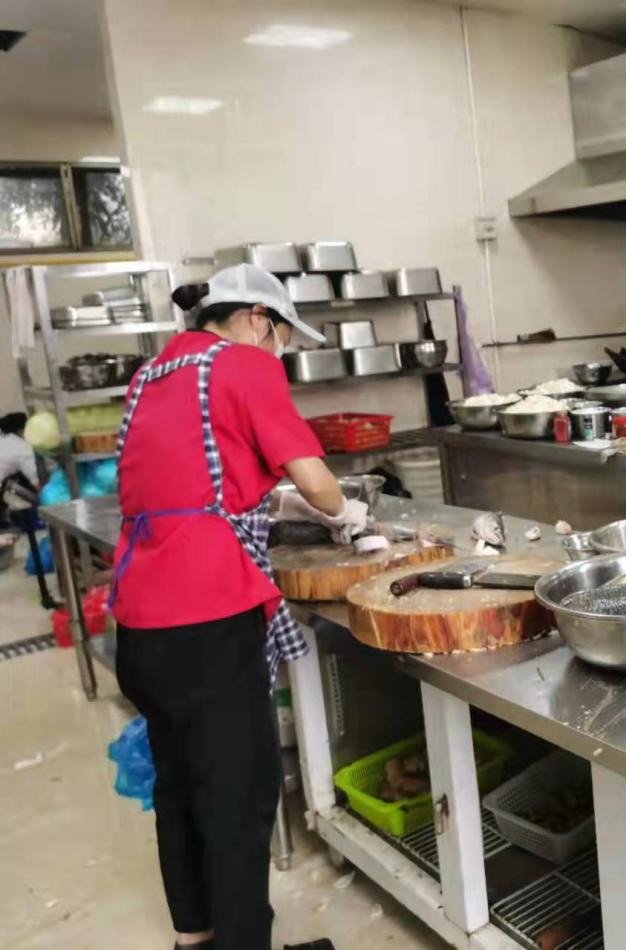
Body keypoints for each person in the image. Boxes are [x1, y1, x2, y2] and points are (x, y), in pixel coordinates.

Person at [110, 264, 367, 950]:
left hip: (139, 624)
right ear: (258, 318)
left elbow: (192, 479)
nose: (279, 350)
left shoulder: (151, 374)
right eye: (282, 335)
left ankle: (194, 941)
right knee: (237, 801)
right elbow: (318, 483)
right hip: (208, 621)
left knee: (179, 791)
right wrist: (346, 513)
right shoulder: (243, 364)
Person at [0, 411, 55, 608]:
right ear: (22, 429)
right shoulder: (22, 447)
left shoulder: (3, 439)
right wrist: (49, 499)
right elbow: (37, 481)